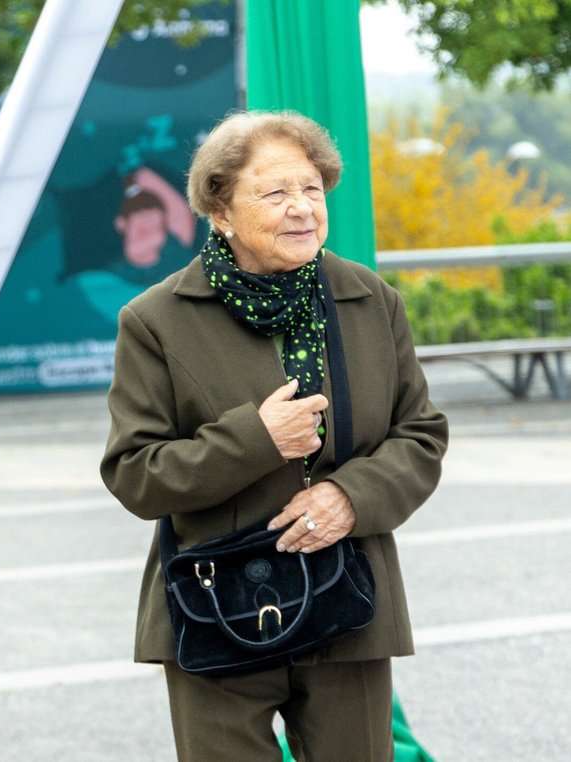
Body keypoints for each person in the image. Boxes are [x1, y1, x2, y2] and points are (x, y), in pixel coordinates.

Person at [99, 111, 449, 761]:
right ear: (220, 211)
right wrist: (256, 439)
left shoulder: (369, 299)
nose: (300, 210)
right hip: (218, 604)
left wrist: (349, 497)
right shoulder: (155, 322)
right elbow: (135, 473)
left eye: (311, 190)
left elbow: (419, 434)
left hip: (349, 600)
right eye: (274, 193)